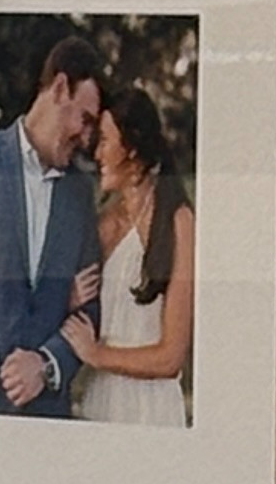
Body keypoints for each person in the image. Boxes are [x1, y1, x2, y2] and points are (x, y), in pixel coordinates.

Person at [0, 31, 104, 416]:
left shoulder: (81, 194)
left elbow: (91, 310)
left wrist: (47, 365)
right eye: (85, 119)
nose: (87, 137)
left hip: (49, 414)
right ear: (61, 87)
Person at [63, 86, 195, 426]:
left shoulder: (178, 222)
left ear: (132, 149)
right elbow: (80, 314)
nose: (97, 153)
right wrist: (71, 298)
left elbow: (171, 358)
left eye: (105, 141)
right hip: (99, 404)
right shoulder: (103, 224)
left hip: (152, 412)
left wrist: (96, 354)